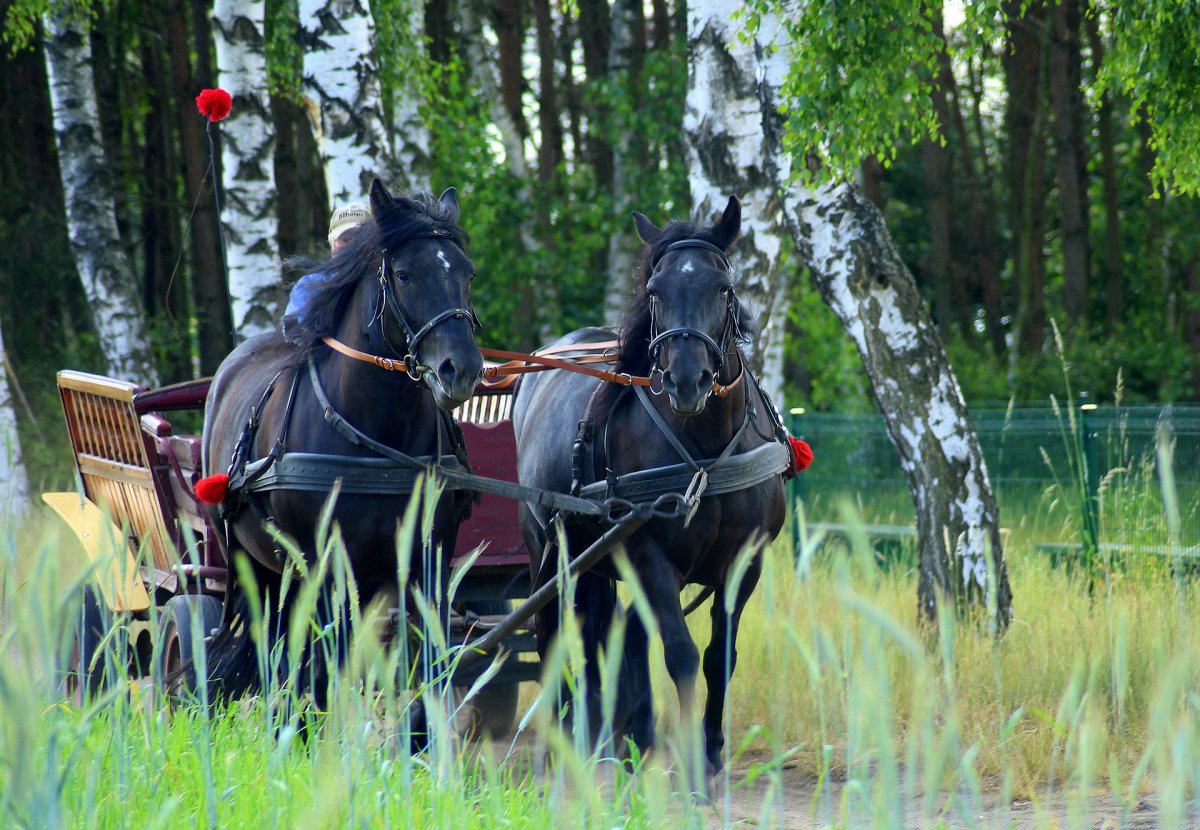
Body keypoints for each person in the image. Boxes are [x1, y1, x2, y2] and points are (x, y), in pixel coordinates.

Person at [284, 202, 370, 327]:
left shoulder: (387, 284)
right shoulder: (308, 286)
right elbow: (295, 336)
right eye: (346, 239)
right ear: (332, 243)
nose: (353, 245)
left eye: (360, 238)